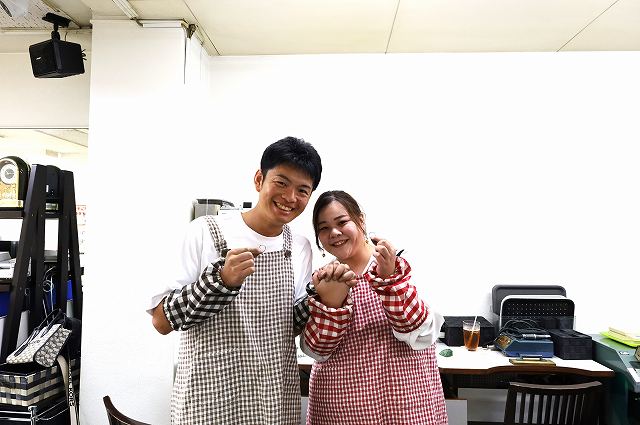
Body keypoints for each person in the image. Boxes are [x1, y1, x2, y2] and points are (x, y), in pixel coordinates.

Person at [147, 137, 354, 425]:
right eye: (281, 183)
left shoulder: (299, 246)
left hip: (273, 401)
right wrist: (221, 281)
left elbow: (287, 327)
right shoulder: (205, 232)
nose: (290, 197)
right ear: (259, 179)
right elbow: (161, 321)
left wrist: (320, 296)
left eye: (302, 190)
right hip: (209, 400)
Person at [301, 190, 448, 425]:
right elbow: (316, 352)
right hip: (340, 406)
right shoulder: (324, 278)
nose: (334, 233)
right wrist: (330, 302)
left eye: (342, 222)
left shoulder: (400, 264)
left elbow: (424, 334)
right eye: (324, 228)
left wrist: (389, 279)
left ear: (360, 219)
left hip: (405, 402)